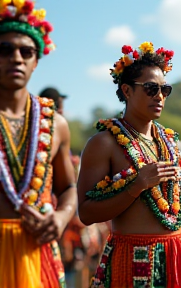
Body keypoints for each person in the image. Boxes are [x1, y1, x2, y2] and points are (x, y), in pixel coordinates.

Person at [77, 42, 181, 288]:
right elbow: (86, 213)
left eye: (165, 89)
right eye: (150, 88)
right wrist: (137, 186)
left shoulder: (169, 142)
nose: (159, 96)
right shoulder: (103, 143)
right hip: (134, 260)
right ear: (126, 90)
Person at [0, 1, 77, 287]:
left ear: (36, 60)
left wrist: (60, 217)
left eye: (26, 51)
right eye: (5, 50)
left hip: (38, 254)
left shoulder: (56, 123)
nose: (16, 58)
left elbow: (68, 188)